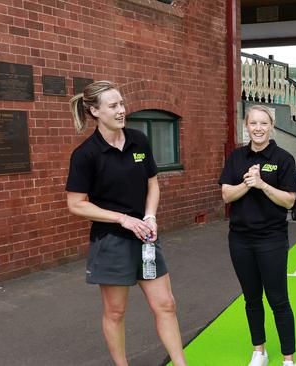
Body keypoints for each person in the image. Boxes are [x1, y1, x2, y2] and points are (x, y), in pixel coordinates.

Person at [65, 81, 187, 366]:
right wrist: (123, 219)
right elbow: (76, 203)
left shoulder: (138, 141)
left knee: (166, 305)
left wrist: (150, 216)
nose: (122, 110)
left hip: (145, 238)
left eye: (121, 104)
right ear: (95, 111)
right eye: (113, 106)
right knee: (116, 312)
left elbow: (152, 184)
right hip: (110, 241)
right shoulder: (86, 155)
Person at [219, 105, 296, 366]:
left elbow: (288, 202)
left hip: (271, 239)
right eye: (253, 123)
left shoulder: (284, 158)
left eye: (263, 123)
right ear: (246, 125)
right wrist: (247, 183)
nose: (258, 128)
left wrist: (263, 184)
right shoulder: (236, 157)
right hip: (240, 240)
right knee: (251, 299)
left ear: (271, 126)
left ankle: (288, 358)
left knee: (278, 300)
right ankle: (259, 351)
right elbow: (227, 195)